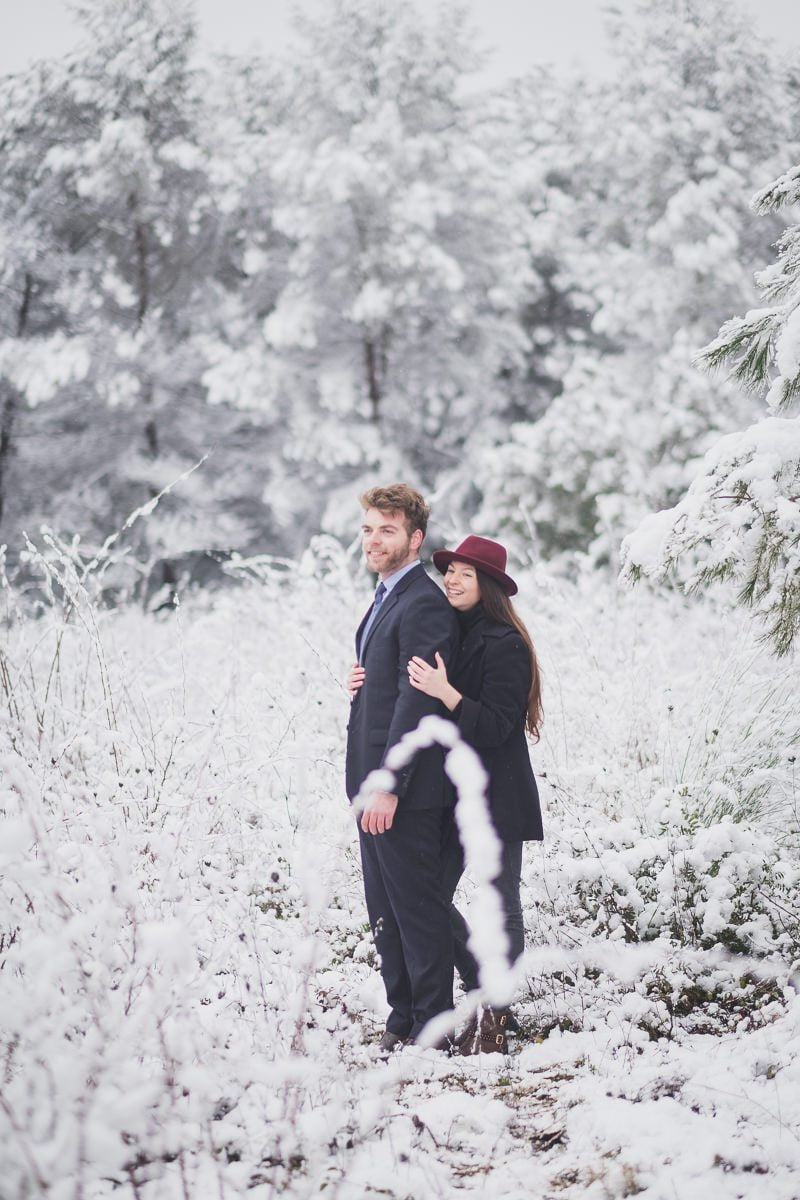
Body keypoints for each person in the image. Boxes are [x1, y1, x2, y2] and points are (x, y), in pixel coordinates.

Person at [406, 535, 543, 1055]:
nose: (452, 580)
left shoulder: (505, 643)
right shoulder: (446, 635)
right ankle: (478, 986)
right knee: (428, 895)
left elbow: (497, 725)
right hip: (451, 792)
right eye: (450, 571)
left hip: (498, 795)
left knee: (501, 904)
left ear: (488, 586)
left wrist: (447, 694)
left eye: (466, 573)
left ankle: (495, 1014)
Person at [345, 484, 459, 1052]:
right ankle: (402, 1016)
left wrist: (390, 784)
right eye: (367, 528)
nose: (372, 539)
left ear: (415, 538)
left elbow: (419, 703)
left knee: (415, 909)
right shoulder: (386, 596)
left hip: (406, 790)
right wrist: (359, 690)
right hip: (373, 783)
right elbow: (391, 688)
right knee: (383, 907)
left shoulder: (423, 602)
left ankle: (433, 1024)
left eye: (386, 529)